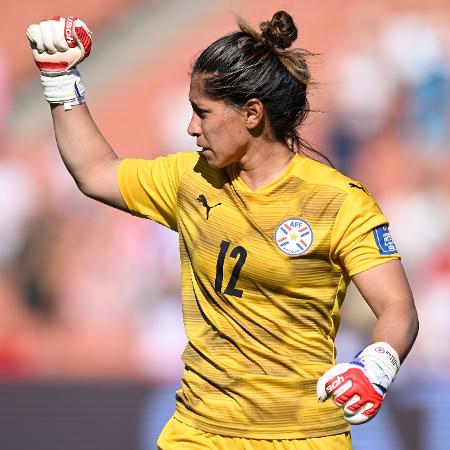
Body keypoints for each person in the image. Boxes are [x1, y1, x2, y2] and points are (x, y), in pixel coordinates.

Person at [26, 11, 419, 450]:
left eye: (202, 113)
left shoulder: (339, 201)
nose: (191, 127)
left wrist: (377, 365)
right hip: (198, 434)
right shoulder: (189, 179)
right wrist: (60, 79)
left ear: (251, 114)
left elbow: (397, 305)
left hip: (303, 436)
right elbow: (96, 171)